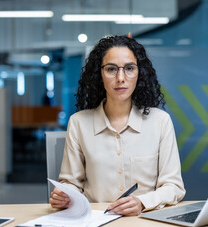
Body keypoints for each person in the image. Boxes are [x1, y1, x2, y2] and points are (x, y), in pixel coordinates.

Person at [49, 35, 185, 216]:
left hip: (145, 223)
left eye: (129, 68)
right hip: (94, 223)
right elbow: (70, 183)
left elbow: (173, 186)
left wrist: (142, 202)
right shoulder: (78, 123)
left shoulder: (160, 121)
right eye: (111, 69)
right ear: (100, 75)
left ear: (140, 73)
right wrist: (65, 196)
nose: (121, 78)